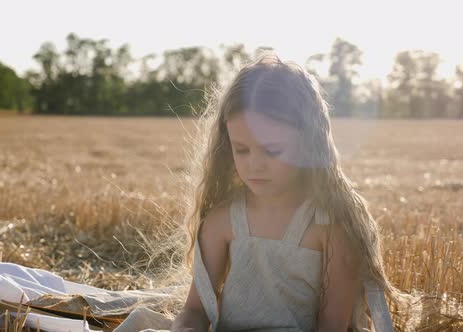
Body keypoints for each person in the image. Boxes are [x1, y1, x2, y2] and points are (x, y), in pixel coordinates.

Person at [170, 52, 415, 332]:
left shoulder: (329, 226)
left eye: (272, 150)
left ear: (308, 143)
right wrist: (186, 328)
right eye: (242, 150)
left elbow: (332, 325)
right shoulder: (222, 220)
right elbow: (194, 310)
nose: (255, 165)